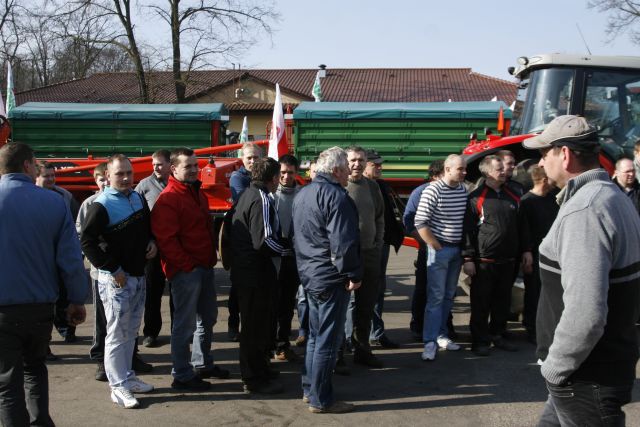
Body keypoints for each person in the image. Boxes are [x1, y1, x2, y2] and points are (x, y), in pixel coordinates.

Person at [523, 115, 640, 426]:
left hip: (585, 377)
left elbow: (586, 311)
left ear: (564, 154)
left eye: (543, 153)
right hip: (590, 370)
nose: (541, 161)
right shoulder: (611, 196)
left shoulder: (585, 210)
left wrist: (555, 368)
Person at [0, 142, 88, 427]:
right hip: (39, 307)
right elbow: (71, 259)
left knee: (6, 382)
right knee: (34, 368)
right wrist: (76, 299)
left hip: (2, 310)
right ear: (27, 165)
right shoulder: (53, 202)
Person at [80, 154, 157, 409]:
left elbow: (147, 229)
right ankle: (117, 387)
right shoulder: (100, 205)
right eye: (119, 174)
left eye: (128, 173)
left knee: (131, 330)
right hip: (116, 280)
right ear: (108, 176)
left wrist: (152, 242)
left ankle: (128, 377)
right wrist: (113, 268)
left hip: (137, 275)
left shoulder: (137, 197)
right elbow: (87, 242)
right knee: (115, 333)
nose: (125, 178)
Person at [152, 148, 229, 392]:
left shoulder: (196, 192)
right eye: (189, 166)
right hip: (187, 271)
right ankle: (182, 374)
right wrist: (187, 266)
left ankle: (202, 363)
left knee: (207, 318)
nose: (195, 170)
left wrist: (208, 260)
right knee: (184, 325)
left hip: (203, 267)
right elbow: (166, 240)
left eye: (196, 165)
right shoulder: (169, 198)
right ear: (174, 169)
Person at [293, 146, 361, 414]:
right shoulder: (337, 197)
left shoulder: (304, 193)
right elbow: (343, 243)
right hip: (329, 278)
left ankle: (310, 390)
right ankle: (321, 399)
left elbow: (298, 235)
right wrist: (353, 274)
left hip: (310, 274)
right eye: (346, 168)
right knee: (327, 342)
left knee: (313, 336)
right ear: (336, 171)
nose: (350, 172)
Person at [231, 157, 291, 394]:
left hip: (248, 271)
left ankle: (260, 369)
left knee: (258, 325)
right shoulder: (262, 198)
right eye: (279, 177)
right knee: (254, 327)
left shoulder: (247, 194)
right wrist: (289, 250)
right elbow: (264, 242)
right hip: (255, 273)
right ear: (274, 178)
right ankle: (253, 378)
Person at [463, 155, 532, 357]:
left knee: (502, 302)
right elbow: (467, 230)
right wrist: (468, 259)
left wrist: (526, 250)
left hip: (509, 260)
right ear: (487, 172)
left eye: (503, 167)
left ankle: (497, 335)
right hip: (484, 262)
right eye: (499, 168)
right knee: (481, 304)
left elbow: (523, 226)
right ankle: (479, 341)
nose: (504, 171)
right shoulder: (476, 197)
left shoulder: (514, 194)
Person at [414, 154, 468, 361]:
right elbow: (420, 222)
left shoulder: (463, 190)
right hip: (440, 251)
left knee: (448, 295)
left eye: (464, 169)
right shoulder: (433, 190)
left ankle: (441, 335)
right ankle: (429, 340)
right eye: (460, 169)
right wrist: (436, 246)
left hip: (456, 251)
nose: (464, 172)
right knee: (436, 296)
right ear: (447, 169)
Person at [344, 145, 385, 369]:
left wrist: (378, 242)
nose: (356, 164)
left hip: (369, 253)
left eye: (360, 160)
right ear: (345, 162)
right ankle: (339, 353)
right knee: (341, 305)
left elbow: (379, 217)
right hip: (345, 257)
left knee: (366, 305)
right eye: (352, 160)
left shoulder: (372, 186)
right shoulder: (339, 186)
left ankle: (363, 350)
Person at [35, 161, 80, 344]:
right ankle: (44, 343)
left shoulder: (65, 196)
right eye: (46, 176)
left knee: (64, 294)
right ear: (36, 177)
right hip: (39, 258)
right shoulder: (30, 198)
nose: (51, 179)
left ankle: (67, 329)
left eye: (53, 175)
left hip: (60, 254)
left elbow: (76, 223)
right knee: (43, 303)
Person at [363, 149, 403, 349]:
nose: (379, 167)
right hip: (364, 248)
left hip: (382, 244)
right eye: (375, 164)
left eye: (380, 164)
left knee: (378, 290)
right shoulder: (356, 187)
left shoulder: (382, 186)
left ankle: (376, 333)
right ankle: (355, 337)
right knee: (361, 294)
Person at [403, 160, 444, 341]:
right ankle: (418, 326)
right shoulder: (420, 193)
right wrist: (427, 242)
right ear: (435, 175)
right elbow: (409, 222)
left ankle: (444, 326)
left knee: (444, 291)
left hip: (447, 250)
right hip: (428, 250)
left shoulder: (455, 190)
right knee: (423, 288)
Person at [518, 165, 559, 344]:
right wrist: (527, 252)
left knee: (551, 292)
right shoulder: (526, 202)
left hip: (554, 253)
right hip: (535, 254)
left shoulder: (553, 199)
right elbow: (524, 230)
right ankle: (532, 328)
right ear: (544, 180)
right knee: (534, 293)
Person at [135, 149, 171, 348]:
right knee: (153, 291)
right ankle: (150, 332)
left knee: (177, 292)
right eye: (153, 164)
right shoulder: (144, 186)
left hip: (174, 247)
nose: (155, 167)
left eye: (159, 163)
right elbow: (139, 218)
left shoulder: (177, 183)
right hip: (153, 248)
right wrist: (149, 240)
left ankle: (179, 331)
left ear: (169, 164)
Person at [227, 142, 263, 341]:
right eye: (249, 157)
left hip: (257, 233)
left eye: (256, 157)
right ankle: (233, 325)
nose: (252, 161)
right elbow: (244, 200)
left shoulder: (260, 177)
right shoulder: (237, 177)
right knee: (237, 285)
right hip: (241, 235)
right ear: (242, 159)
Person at [273, 154, 301, 361]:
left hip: (295, 257)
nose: (285, 176)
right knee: (272, 304)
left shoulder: (302, 194)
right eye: (282, 172)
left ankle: (283, 344)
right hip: (273, 257)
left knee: (287, 306)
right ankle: (271, 344)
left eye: (290, 172)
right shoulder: (270, 195)